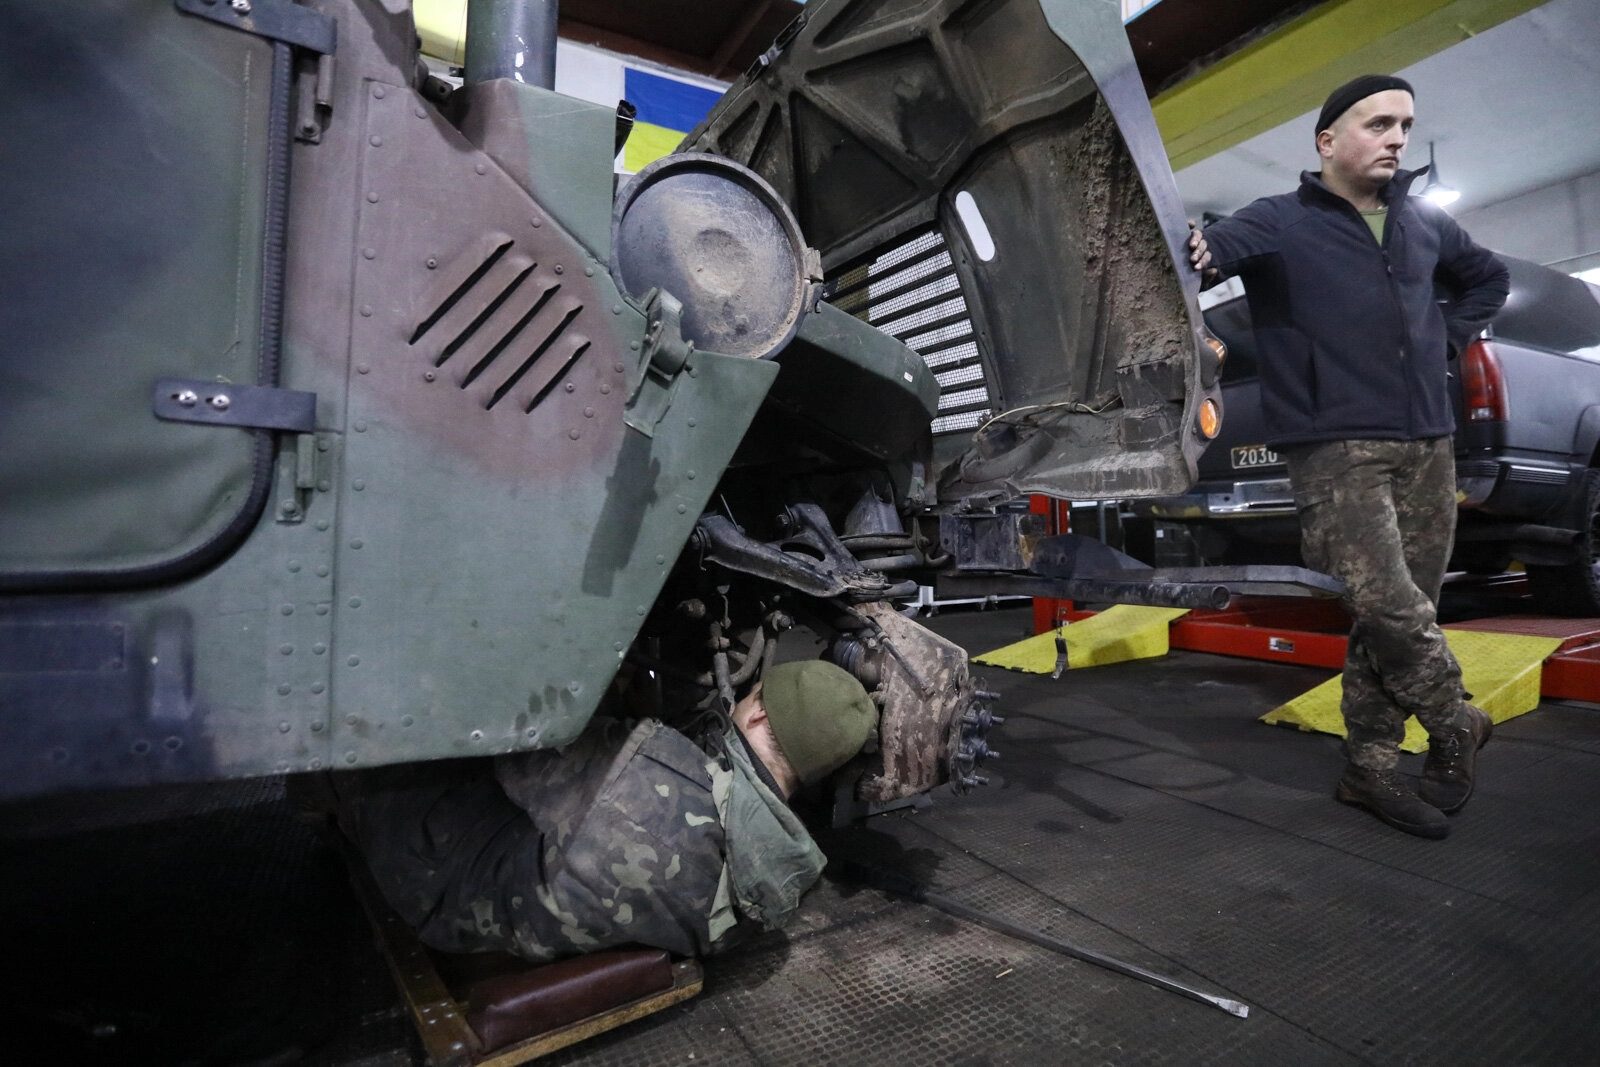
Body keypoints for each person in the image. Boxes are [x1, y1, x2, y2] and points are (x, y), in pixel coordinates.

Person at [1186, 74, 1510, 839]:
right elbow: (1207, 254)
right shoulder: (1278, 221)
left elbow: (1487, 280)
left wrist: (1447, 340)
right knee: (1384, 602)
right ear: (1328, 141)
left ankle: (1368, 768)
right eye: (1377, 124)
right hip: (1336, 446)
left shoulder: (1423, 225)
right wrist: (1191, 244)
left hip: (1429, 440)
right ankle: (1455, 717)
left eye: (1405, 124)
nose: (1397, 137)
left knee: (1399, 617)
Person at [336, 660, 878, 961]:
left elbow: (511, 745)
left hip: (443, 889)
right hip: (541, 914)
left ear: (757, 713)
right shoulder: (781, 878)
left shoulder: (655, 775)